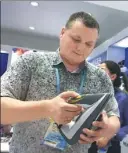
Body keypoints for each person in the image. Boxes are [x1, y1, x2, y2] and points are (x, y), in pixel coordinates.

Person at [1, 12, 120, 153]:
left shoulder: (101, 77)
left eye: (89, 44)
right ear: (62, 32)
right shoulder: (30, 63)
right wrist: (48, 108)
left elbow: (114, 117)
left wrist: (106, 128)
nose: (80, 48)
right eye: (76, 39)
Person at [88, 60, 128, 153]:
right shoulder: (92, 94)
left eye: (101, 70)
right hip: (89, 144)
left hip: (110, 147)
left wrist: (110, 135)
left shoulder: (123, 98)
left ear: (112, 76)